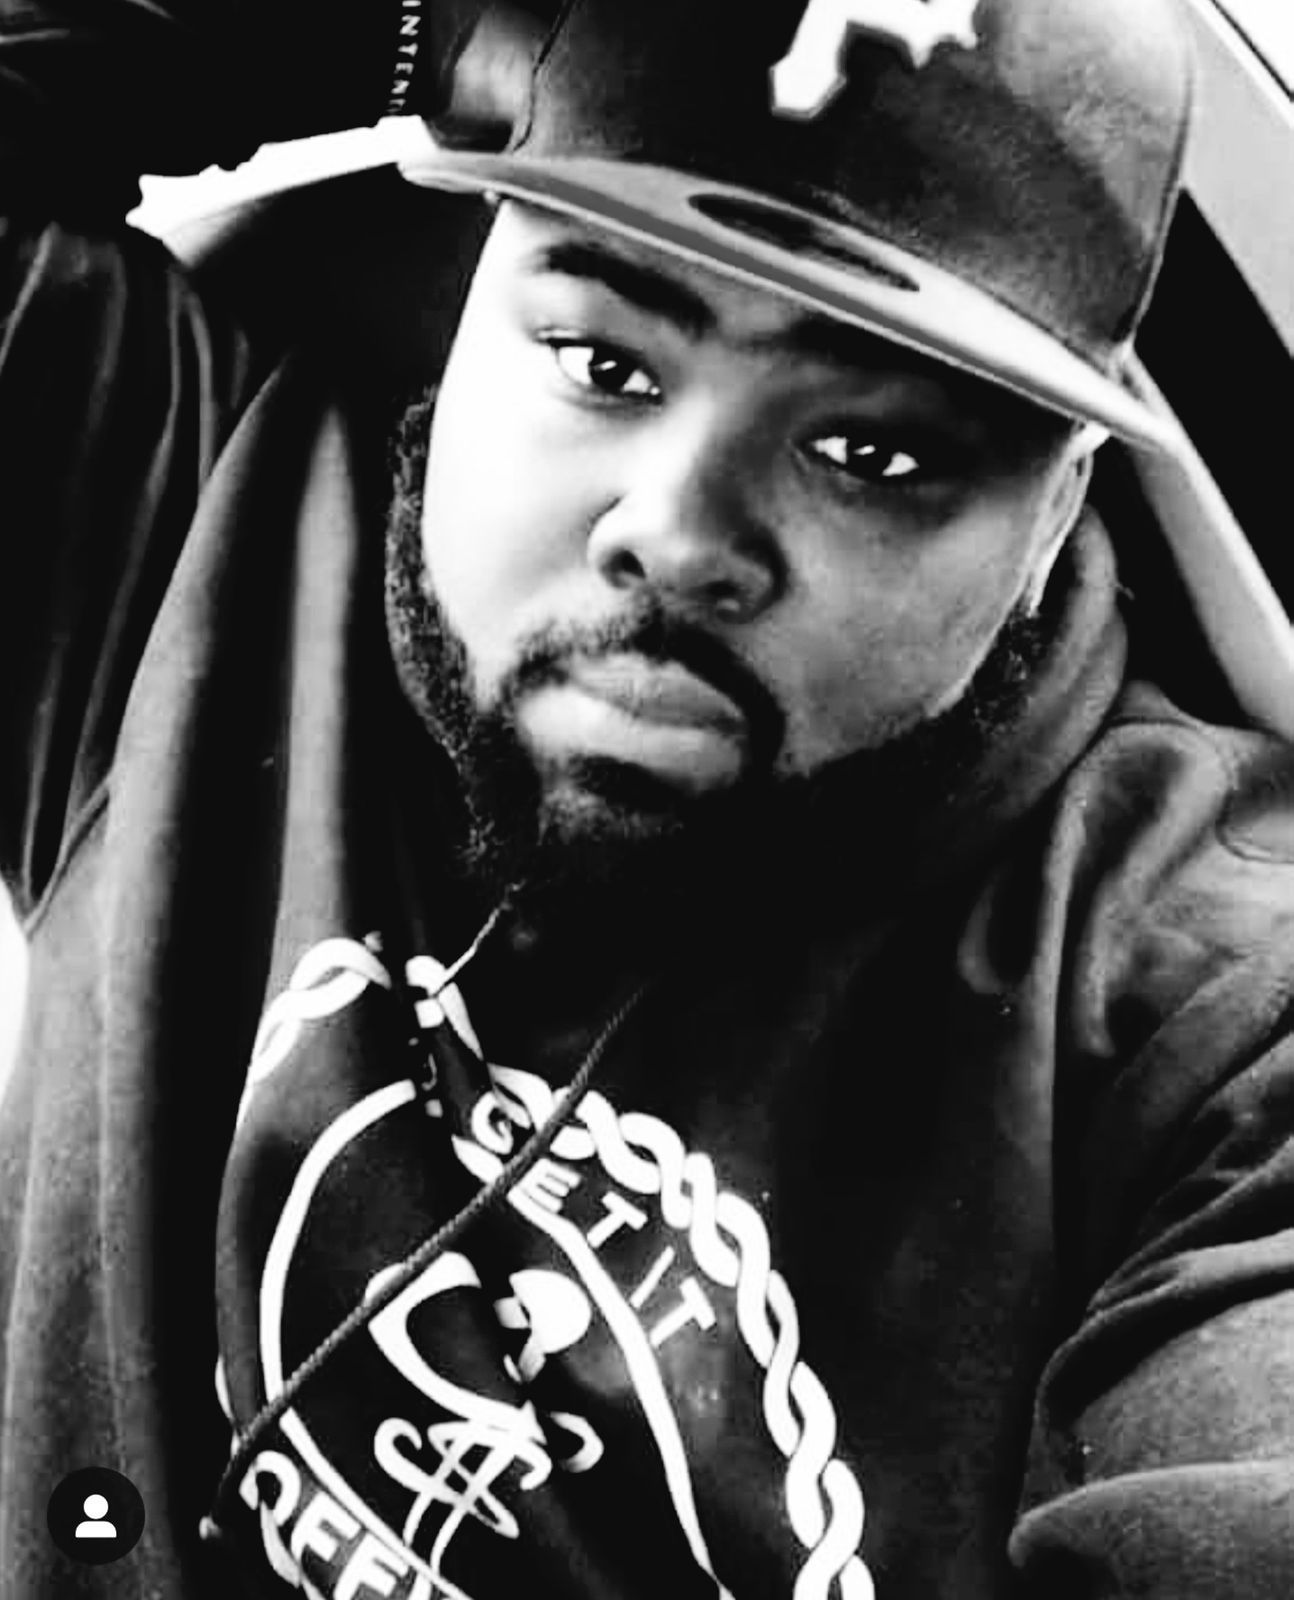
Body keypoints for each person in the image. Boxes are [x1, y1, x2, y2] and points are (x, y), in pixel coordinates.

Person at [1, 0, 1293, 1596]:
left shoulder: (1213, 1011)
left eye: (870, 454)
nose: (677, 536)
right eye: (603, 362)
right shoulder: (187, 540)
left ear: (1050, 517)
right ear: (463, 309)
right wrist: (432, 28)